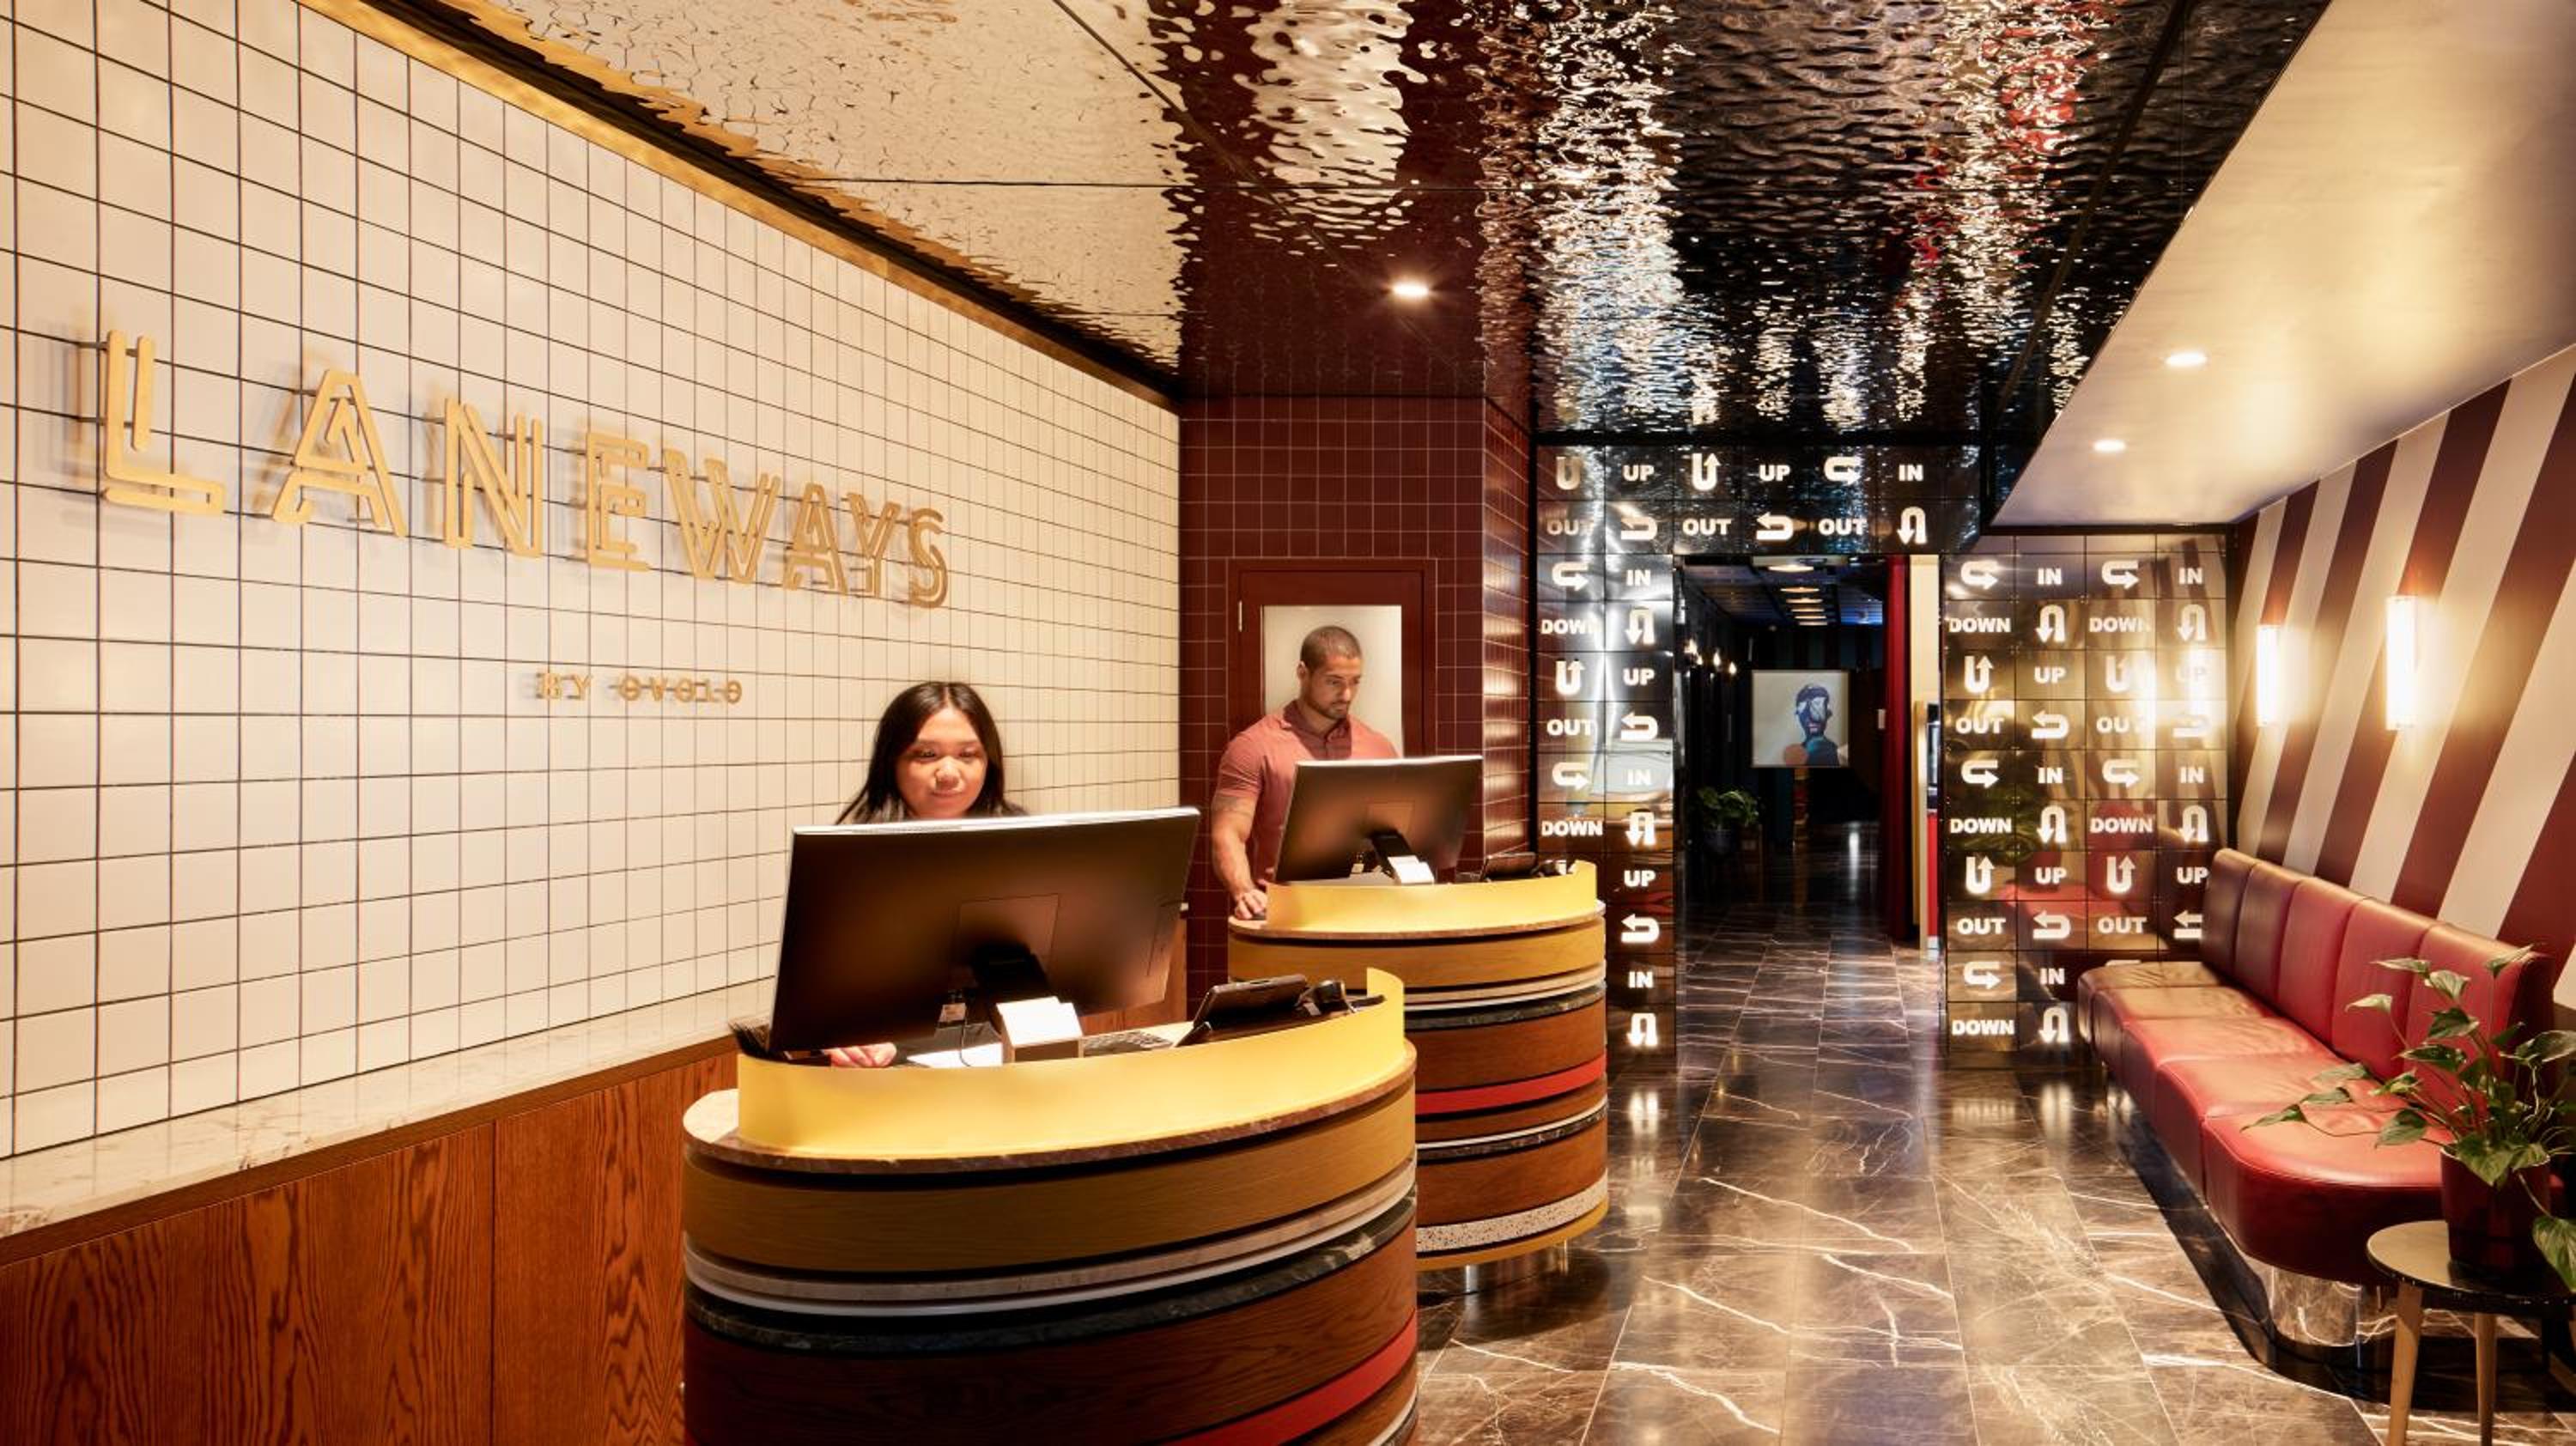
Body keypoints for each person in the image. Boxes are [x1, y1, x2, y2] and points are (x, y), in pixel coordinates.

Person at [825, 682, 1022, 1066]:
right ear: (892, 762)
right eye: (926, 754)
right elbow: (821, 992)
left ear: (989, 762)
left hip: (1001, 1052)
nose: (948, 772)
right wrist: (842, 1035)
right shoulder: (849, 858)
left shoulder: (1022, 842)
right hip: (888, 1059)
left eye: (968, 754)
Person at [1212, 625, 1396, 920]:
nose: (1347, 694)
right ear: (1302, 673)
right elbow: (1228, 833)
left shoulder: (1378, 747)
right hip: (1287, 912)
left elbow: (1396, 831)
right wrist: (1244, 892)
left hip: (1370, 908)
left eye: (1355, 682)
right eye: (1334, 682)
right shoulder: (1253, 747)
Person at [1781, 682, 1841, 768]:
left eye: (1818, 706)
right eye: (1805, 713)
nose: (1811, 719)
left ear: (1828, 713)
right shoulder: (1800, 751)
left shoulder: (1831, 751)